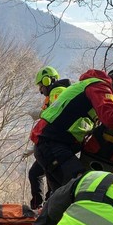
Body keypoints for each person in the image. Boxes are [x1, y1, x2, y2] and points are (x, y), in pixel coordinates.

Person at [33, 68, 113, 193]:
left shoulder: (89, 85)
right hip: (51, 143)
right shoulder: (100, 85)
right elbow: (111, 117)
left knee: (63, 197)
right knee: (83, 188)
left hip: (51, 143)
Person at [24, 66, 70, 208]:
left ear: (47, 80)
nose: (40, 90)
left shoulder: (58, 91)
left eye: (41, 86)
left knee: (49, 175)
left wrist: (39, 113)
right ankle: (40, 205)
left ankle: (48, 206)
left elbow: (56, 114)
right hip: (51, 142)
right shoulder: (55, 94)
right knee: (36, 173)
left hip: (56, 144)